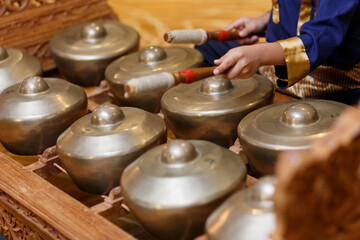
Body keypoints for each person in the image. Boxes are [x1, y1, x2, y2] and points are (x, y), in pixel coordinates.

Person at [195, 0, 360, 105]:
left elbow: (323, 37)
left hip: (332, 84)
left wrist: (259, 55)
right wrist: (263, 21)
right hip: (275, 68)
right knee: (207, 49)